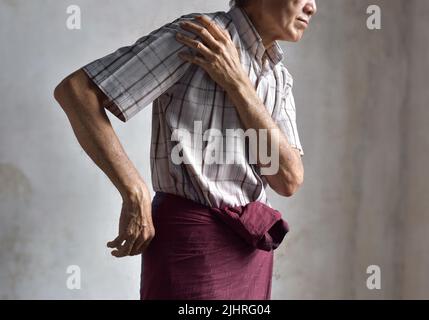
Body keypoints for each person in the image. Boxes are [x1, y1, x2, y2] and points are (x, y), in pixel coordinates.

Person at [53, 0, 317, 299]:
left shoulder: (279, 78)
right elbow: (76, 92)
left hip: (250, 253)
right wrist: (135, 191)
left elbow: (288, 179)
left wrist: (238, 84)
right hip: (191, 247)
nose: (312, 7)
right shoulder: (200, 36)